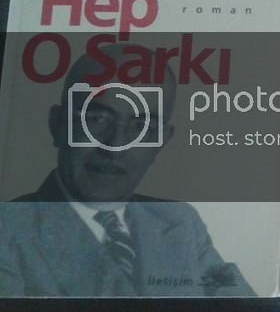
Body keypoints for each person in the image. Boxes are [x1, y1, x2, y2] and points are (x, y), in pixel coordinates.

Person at [0, 45, 253, 297]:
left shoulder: (179, 221)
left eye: (141, 126)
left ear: (160, 142)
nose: (116, 146)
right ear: (57, 124)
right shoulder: (9, 229)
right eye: (97, 119)